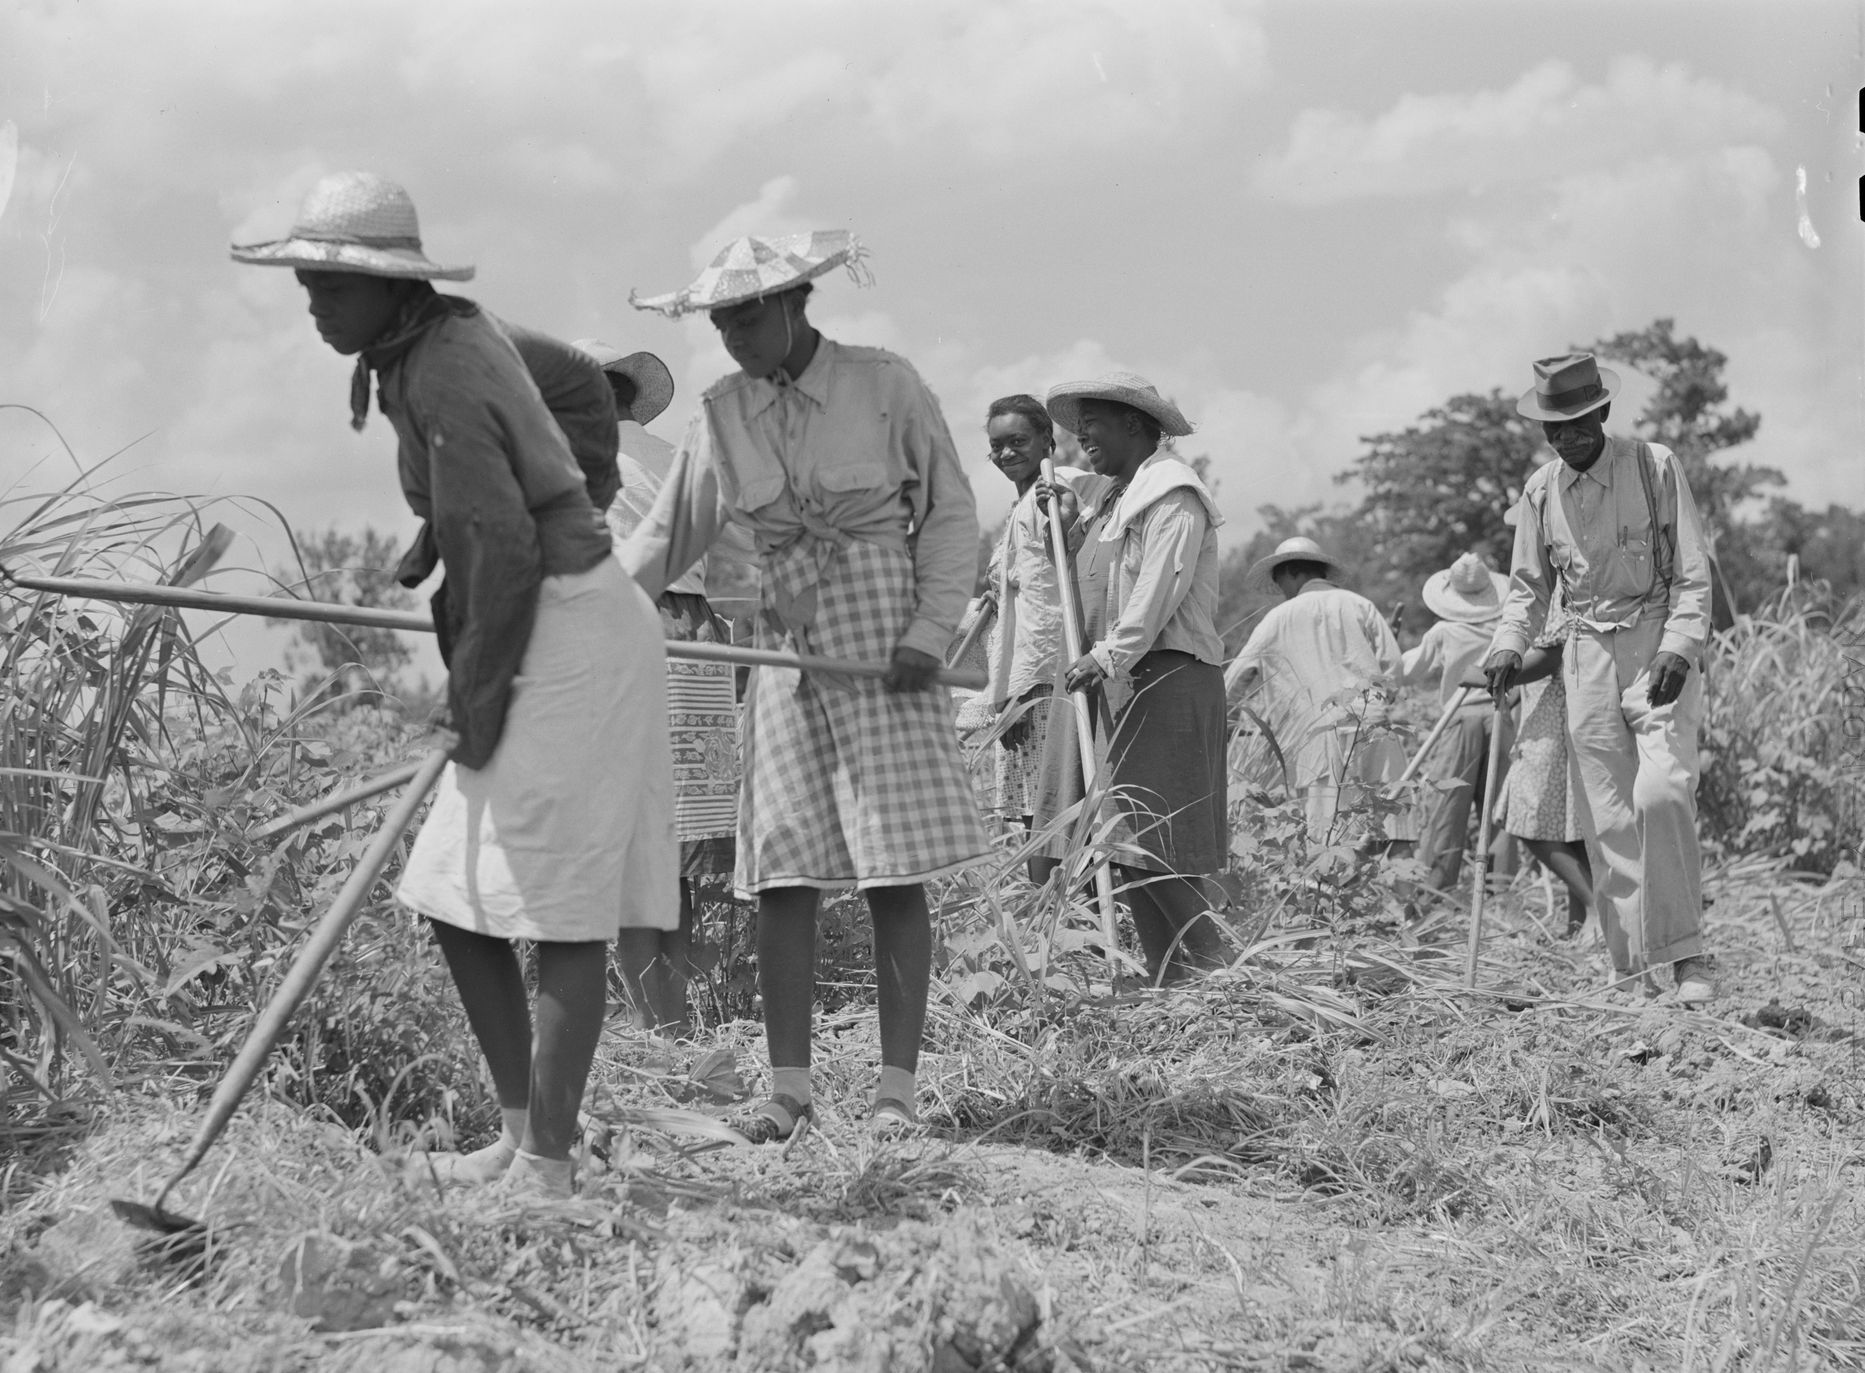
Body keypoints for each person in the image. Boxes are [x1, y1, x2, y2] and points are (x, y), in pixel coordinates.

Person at [232, 171, 678, 1198]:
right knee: (449, 890)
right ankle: (518, 1131)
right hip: (529, 617)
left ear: (395, 286)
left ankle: (550, 1168)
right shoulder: (421, 349)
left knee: (561, 908)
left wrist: (472, 695)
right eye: (307, 284)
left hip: (569, 631)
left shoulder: (443, 365)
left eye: (334, 287)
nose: (314, 303)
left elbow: (507, 545)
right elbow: (495, 487)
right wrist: (434, 556)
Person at [619, 231, 989, 1137]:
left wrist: (928, 632)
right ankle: (789, 1090)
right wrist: (573, 605)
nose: (734, 334)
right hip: (783, 642)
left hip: (883, 635)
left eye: (748, 313)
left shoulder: (884, 385)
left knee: (891, 866)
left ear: (795, 305)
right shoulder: (721, 414)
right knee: (780, 866)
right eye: (720, 319)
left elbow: (947, 513)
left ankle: (895, 1094)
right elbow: (667, 538)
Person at [1484, 352, 1715, 1003]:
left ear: (1601, 412)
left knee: (1662, 791)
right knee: (1607, 815)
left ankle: (1687, 955)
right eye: (1553, 428)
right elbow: (1528, 589)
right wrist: (1506, 644)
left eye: (1577, 422)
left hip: (1656, 647)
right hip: (1584, 650)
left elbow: (1692, 573)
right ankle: (1629, 968)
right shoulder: (1538, 492)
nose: (1566, 437)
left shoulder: (1654, 465)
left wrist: (1678, 644)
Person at [576, 340, 749, 1044]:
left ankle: (659, 1027)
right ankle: (674, 1025)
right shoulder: (674, 458)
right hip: (699, 638)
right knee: (671, 852)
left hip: (628, 629)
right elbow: (734, 562)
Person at [1041, 372, 1228, 985]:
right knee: (1127, 845)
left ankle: (1214, 972)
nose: (1081, 436)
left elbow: (1155, 595)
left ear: (1133, 422)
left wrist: (1106, 658)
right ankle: (1172, 979)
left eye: (1092, 422)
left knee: (1151, 838)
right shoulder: (1114, 500)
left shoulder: (1172, 495)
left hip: (1163, 677)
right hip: (1123, 681)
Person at [979, 394, 1104, 885]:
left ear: (1046, 441)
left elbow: (1055, 604)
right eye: (997, 446)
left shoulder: (1055, 492)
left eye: (1018, 442)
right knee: (1043, 813)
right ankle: (1059, 933)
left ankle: (1060, 931)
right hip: (1024, 677)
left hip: (1044, 680)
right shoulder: (1025, 502)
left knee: (1050, 814)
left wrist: (1026, 690)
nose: (1007, 453)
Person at [1225, 537, 1412, 853]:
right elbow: (1393, 666)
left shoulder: (1276, 620)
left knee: (1329, 842)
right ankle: (1404, 901)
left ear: (1292, 572)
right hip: (1373, 727)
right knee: (1389, 828)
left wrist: (1229, 724)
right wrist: (1380, 704)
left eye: (1279, 581)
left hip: (1316, 740)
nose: (1281, 589)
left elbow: (1233, 682)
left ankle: (1333, 900)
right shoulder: (1359, 605)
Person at [1402, 551, 1516, 892]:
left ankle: (1434, 891)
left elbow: (1409, 671)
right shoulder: (1505, 630)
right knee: (1498, 811)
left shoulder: (1444, 631)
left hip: (1459, 716)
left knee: (1447, 808)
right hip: (1499, 715)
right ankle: (1499, 893)